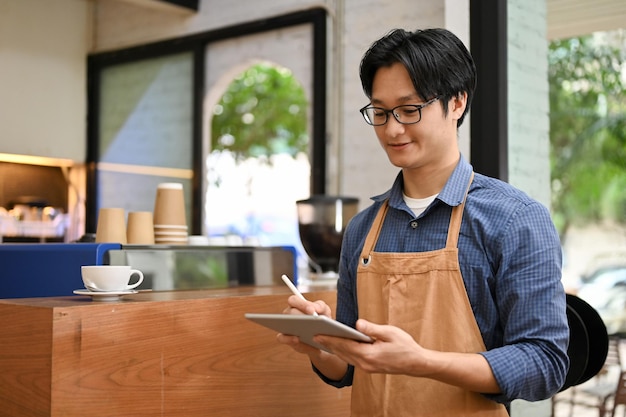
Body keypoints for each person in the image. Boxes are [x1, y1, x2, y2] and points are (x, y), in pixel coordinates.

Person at [278, 27, 569, 416]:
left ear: (457, 103)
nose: (392, 129)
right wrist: (318, 343)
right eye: (379, 112)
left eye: (409, 109)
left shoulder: (515, 219)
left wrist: (421, 362)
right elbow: (348, 369)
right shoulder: (362, 230)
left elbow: (544, 363)